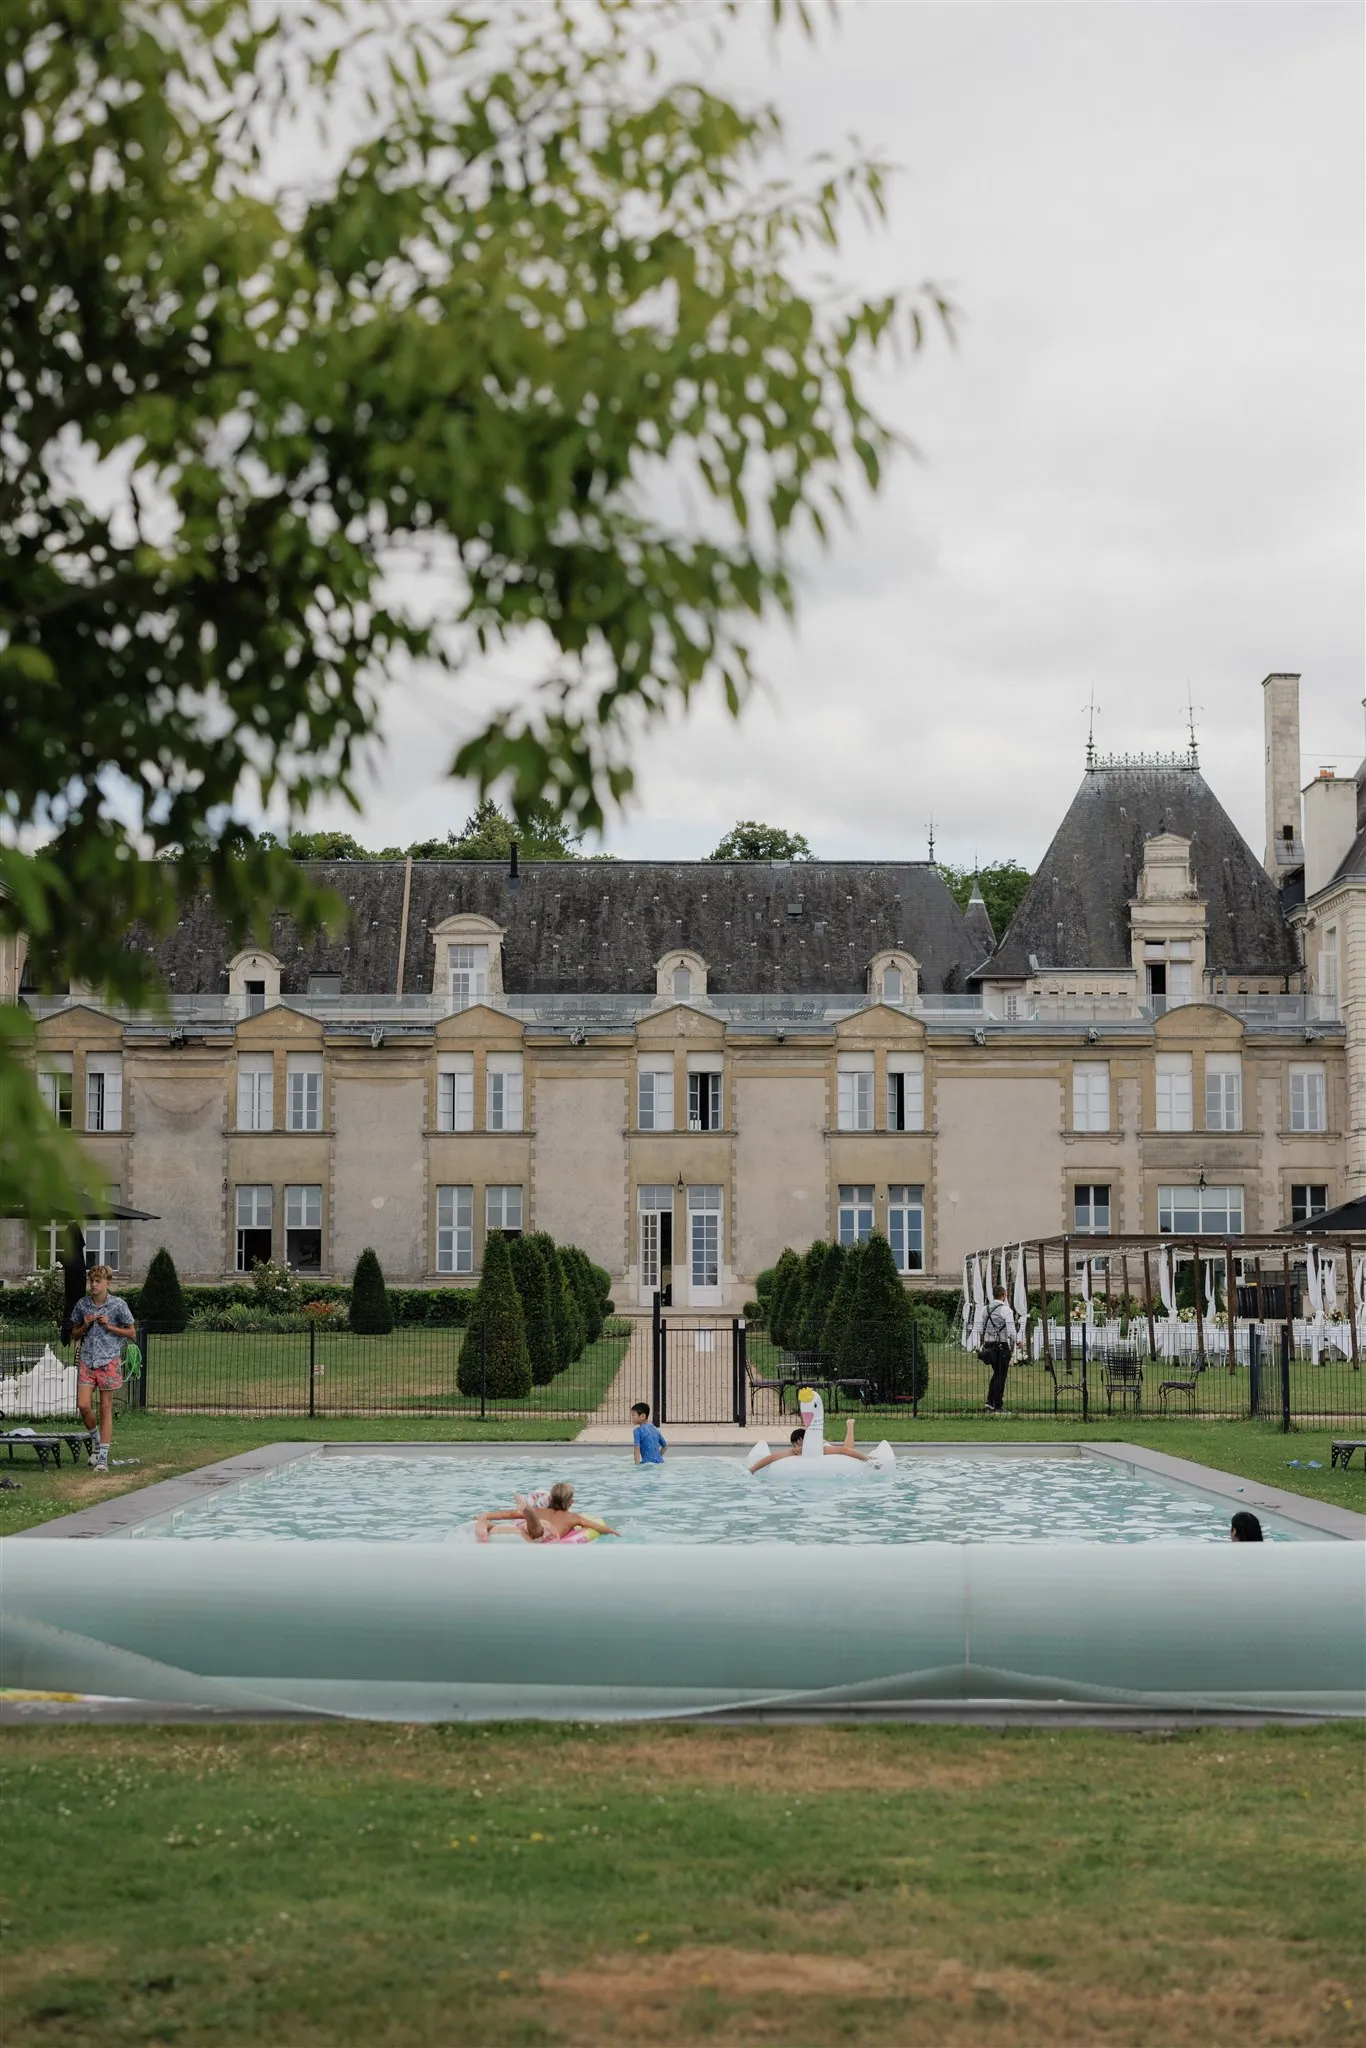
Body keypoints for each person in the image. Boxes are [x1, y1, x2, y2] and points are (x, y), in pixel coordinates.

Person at [71, 1264, 136, 1473]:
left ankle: (103, 1459)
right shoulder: (82, 1305)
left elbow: (132, 1333)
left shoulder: (118, 1305)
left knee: (105, 1408)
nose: (94, 1285)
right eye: (91, 1281)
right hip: (87, 1361)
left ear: (108, 1283)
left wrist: (110, 1327)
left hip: (108, 1362)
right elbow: (74, 1334)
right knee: (83, 1405)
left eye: (98, 1281)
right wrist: (84, 1326)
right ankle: (97, 1443)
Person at [475, 1482, 619, 1544]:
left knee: (524, 1528)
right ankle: (527, 1510)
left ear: (550, 1498)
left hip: (527, 1532)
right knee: (539, 1530)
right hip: (546, 1534)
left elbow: (507, 1515)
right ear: (570, 1503)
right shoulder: (573, 1517)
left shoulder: (540, 1511)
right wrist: (611, 1530)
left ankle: (487, 1524)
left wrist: (486, 1515)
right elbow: (594, 1525)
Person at [747, 1418, 868, 1473]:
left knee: (849, 1450)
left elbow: (843, 1450)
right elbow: (771, 1458)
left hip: (825, 1448)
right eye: (795, 1445)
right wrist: (752, 1470)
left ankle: (850, 1425)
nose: (798, 1449)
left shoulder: (819, 1449)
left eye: (800, 1445)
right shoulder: (793, 1452)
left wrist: (867, 1459)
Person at [979, 1286, 1017, 1415]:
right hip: (1001, 1346)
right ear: (1003, 1295)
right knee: (1001, 1376)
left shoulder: (985, 1309)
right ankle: (998, 1405)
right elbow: (1011, 1330)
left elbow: (980, 1328)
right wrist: (1017, 1341)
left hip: (989, 1345)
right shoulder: (1006, 1310)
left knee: (996, 1374)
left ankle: (989, 1402)